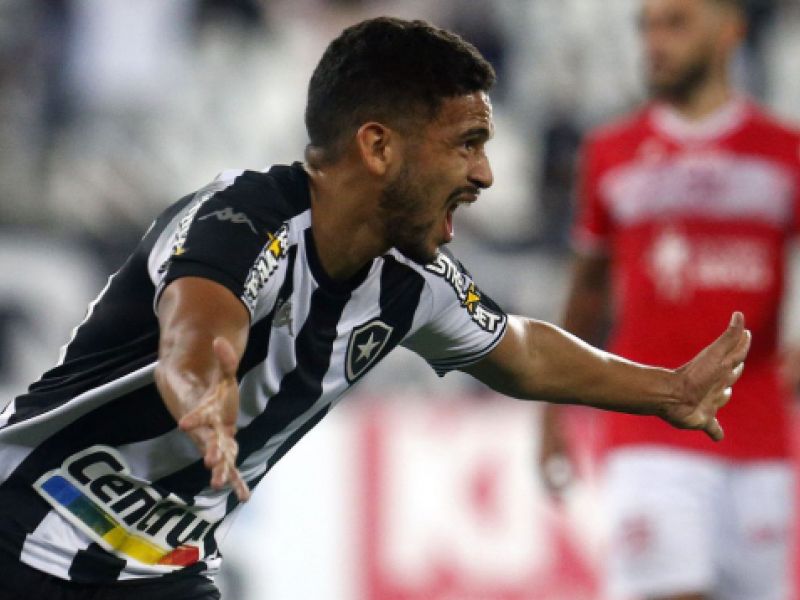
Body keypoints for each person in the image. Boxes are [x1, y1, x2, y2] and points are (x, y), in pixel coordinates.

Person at [0, 17, 750, 600]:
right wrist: (201, 389)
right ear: (379, 147)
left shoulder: (413, 281)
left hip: (158, 572)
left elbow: (519, 351)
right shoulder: (241, 217)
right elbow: (197, 327)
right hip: (18, 528)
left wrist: (667, 390)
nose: (485, 174)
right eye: (467, 144)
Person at [538, 1, 800, 599]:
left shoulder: (785, 153)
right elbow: (587, 292)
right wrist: (551, 412)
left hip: (760, 439)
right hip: (649, 429)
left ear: (729, 31)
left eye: (676, 23)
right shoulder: (611, 152)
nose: (655, 41)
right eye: (648, 25)